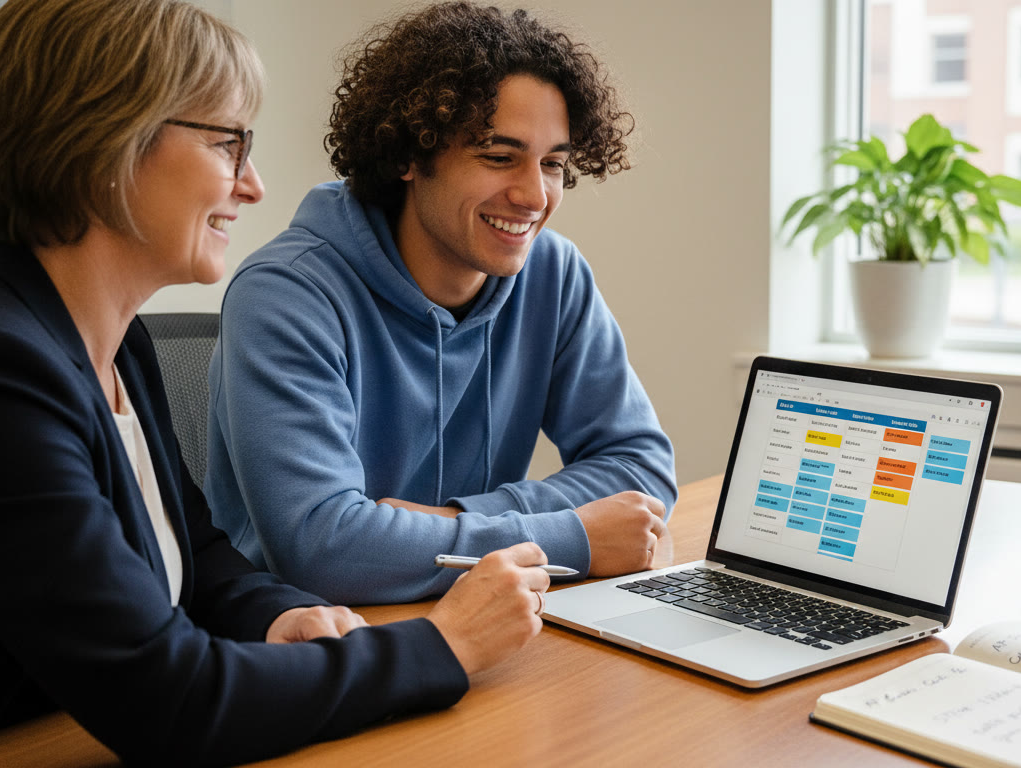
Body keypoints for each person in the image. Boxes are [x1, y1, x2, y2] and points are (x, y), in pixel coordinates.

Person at [0, 1, 551, 762]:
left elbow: (198, 555)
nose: (252, 186)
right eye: (228, 144)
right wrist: (443, 645)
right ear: (104, 141)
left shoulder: (119, 346)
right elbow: (168, 701)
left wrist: (277, 616)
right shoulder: (1, 373)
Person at [205, 1, 677, 604]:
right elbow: (324, 547)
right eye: (499, 157)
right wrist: (572, 536)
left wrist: (454, 519)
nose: (535, 196)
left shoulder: (553, 274)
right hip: (314, 633)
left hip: (484, 614)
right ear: (409, 154)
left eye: (553, 164)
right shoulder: (286, 293)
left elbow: (640, 468)